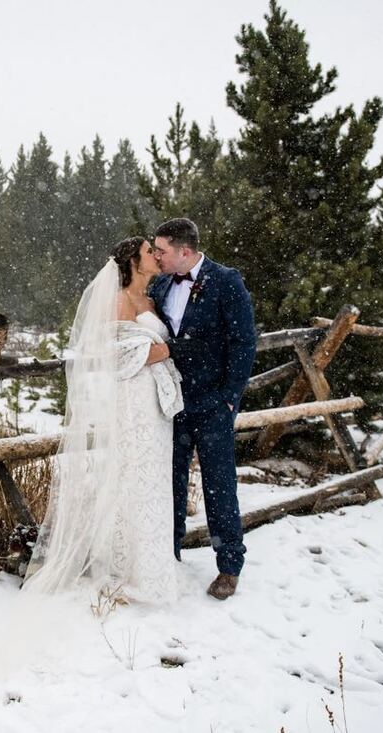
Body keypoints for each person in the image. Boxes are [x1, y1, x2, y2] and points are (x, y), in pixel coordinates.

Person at [22, 236, 183, 604]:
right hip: (133, 398)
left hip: (156, 400)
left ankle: (153, 564)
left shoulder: (152, 300)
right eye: (148, 252)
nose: (155, 256)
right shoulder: (118, 300)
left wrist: (163, 352)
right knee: (133, 474)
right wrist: (169, 350)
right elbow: (115, 354)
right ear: (133, 262)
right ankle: (128, 567)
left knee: (155, 478)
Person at [149, 218, 256, 600]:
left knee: (219, 484)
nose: (156, 256)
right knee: (171, 481)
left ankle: (229, 565)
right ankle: (170, 554)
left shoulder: (226, 281)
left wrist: (230, 398)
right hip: (172, 403)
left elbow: (244, 341)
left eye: (161, 250)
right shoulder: (161, 284)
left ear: (185, 251)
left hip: (213, 403)